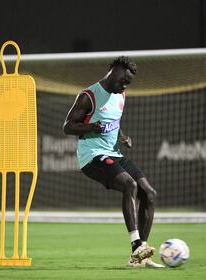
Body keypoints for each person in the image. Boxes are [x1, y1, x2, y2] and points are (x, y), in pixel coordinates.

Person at [63, 56, 164, 268]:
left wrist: (122, 136)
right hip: (92, 156)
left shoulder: (121, 95)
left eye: (129, 82)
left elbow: (113, 122)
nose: (125, 85)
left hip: (113, 153)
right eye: (124, 80)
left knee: (149, 194)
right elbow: (67, 126)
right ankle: (136, 245)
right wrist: (90, 127)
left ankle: (140, 257)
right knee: (130, 184)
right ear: (114, 72)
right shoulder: (89, 96)